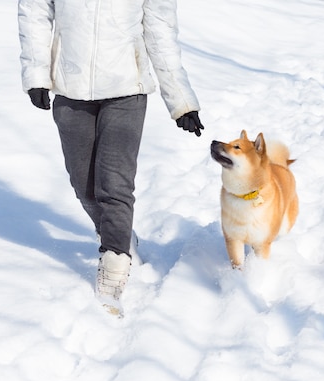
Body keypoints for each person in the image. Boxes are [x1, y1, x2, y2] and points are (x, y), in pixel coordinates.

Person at [18, 0, 204, 313]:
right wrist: (36, 75)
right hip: (70, 87)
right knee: (84, 185)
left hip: (127, 90)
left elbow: (160, 32)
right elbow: (34, 12)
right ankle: (119, 235)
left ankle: (115, 258)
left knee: (114, 183)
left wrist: (181, 101)